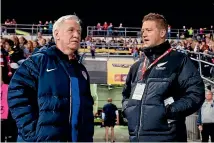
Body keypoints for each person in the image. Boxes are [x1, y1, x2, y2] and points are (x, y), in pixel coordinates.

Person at [8, 15, 94, 142]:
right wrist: (32, 133)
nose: (76, 35)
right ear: (56, 34)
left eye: (79, 32)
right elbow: (16, 94)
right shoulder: (39, 61)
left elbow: (86, 110)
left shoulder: (81, 70)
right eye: (71, 30)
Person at [122, 13, 205, 142]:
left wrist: (169, 111)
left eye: (149, 30)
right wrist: (129, 109)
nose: (143, 34)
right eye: (143, 31)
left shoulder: (178, 60)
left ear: (162, 33)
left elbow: (196, 93)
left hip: (168, 138)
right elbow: (126, 95)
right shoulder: (137, 67)